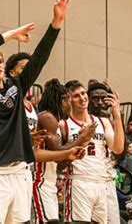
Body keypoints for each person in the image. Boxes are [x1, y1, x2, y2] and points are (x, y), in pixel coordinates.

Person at [0, 0, 70, 223]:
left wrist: (55, 23)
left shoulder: (16, 85)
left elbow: (40, 58)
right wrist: (11, 35)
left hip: (21, 172)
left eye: (1, 61)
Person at [31, 79, 94, 223]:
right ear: (63, 100)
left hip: (48, 182)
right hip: (38, 181)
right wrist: (81, 138)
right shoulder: (47, 117)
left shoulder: (54, 121)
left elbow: (59, 164)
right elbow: (57, 153)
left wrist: (75, 153)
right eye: (69, 100)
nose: (71, 105)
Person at [62, 81, 124, 224]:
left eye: (83, 93)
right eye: (76, 96)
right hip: (79, 180)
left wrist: (117, 116)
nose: (82, 98)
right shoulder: (64, 124)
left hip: (101, 182)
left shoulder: (103, 122)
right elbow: (60, 158)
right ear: (69, 100)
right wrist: (81, 140)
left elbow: (118, 148)